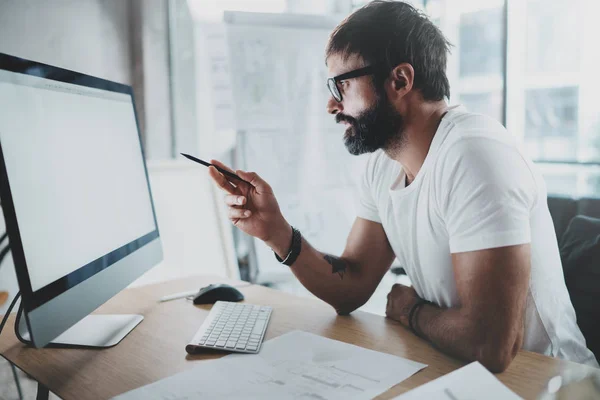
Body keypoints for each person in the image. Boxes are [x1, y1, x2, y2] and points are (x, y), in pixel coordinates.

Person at [208, 0, 598, 371]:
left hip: (548, 382)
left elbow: (492, 345)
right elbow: (352, 286)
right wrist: (277, 233)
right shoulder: (385, 165)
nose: (331, 106)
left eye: (341, 86)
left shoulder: (475, 155)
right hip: (459, 371)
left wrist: (409, 310)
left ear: (400, 79)